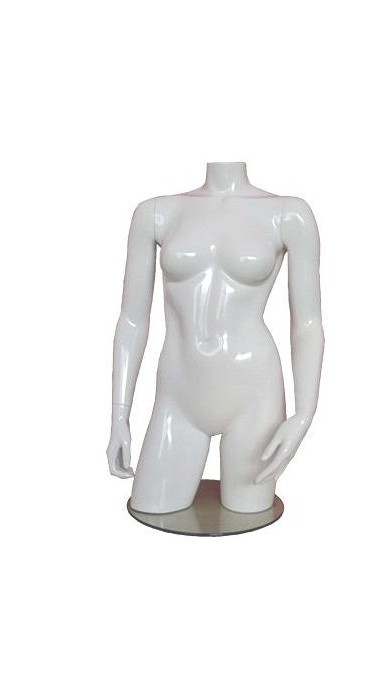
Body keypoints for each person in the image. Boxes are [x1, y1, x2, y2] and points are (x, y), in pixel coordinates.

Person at [107, 162, 324, 513]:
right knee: (150, 507)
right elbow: (132, 319)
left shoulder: (288, 214)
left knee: (247, 514)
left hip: (254, 395)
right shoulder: (156, 213)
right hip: (178, 394)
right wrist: (119, 414)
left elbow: (307, 323)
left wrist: (304, 413)